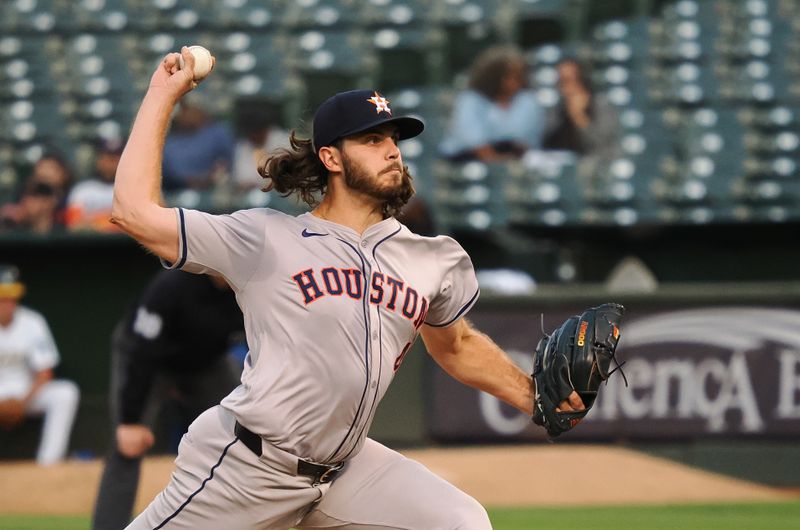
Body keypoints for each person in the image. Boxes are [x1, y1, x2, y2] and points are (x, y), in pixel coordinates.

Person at [109, 47, 585, 529]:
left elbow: (457, 346)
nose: (392, 149)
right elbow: (132, 211)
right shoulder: (266, 237)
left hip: (345, 472)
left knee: (462, 522)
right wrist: (162, 94)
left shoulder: (432, 257)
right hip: (248, 468)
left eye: (394, 139)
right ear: (330, 157)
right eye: (373, 139)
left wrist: (534, 397)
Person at [92, 269, 244, 530]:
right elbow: (142, 349)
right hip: (149, 362)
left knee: (244, 437)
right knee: (127, 448)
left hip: (207, 364)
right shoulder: (171, 286)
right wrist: (130, 419)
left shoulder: (251, 286)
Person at [0, 265, 80, 465]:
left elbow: (45, 372)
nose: (6, 304)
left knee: (66, 393)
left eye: (10, 298)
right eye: (2, 299)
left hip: (25, 391)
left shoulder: (32, 321)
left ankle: (48, 463)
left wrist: (23, 402)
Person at [439, 45, 546, 162]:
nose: (518, 81)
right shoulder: (470, 100)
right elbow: (475, 143)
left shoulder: (528, 101)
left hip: (516, 164)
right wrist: (498, 164)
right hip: (466, 162)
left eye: (521, 75)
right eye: (512, 76)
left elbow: (525, 142)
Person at [542, 58, 620, 162]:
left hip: (598, 164)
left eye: (568, 81)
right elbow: (547, 142)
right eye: (560, 82)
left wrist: (579, 116)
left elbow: (600, 144)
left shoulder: (601, 106)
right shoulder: (557, 109)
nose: (564, 88)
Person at [162, 93, 235, 191]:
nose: (184, 115)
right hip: (179, 190)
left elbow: (229, 160)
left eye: (187, 109)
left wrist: (211, 176)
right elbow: (167, 173)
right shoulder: (170, 142)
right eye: (182, 111)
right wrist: (187, 180)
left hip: (214, 188)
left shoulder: (218, 132)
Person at [64, 137, 126, 232]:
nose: (110, 163)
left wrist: (94, 221)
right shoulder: (82, 190)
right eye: (106, 157)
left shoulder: (134, 191)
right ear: (98, 160)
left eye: (115, 158)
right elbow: (74, 223)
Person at [0, 154, 72, 234]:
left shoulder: (67, 222)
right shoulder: (12, 225)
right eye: (25, 193)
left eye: (37, 193)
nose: (26, 199)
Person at [230, 98, 290, 193]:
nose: (252, 136)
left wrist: (259, 182)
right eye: (249, 133)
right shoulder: (244, 144)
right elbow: (240, 177)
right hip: (251, 197)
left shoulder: (283, 141)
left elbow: (286, 176)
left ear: (264, 129)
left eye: (254, 132)